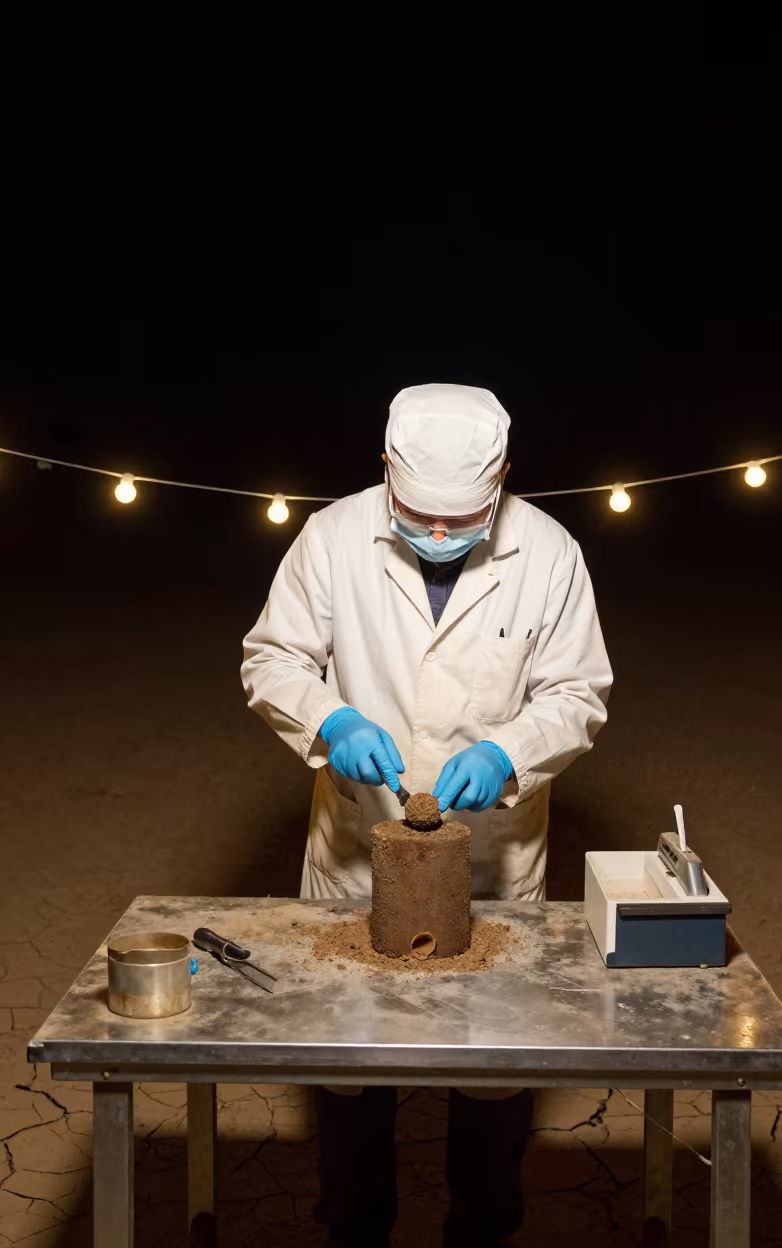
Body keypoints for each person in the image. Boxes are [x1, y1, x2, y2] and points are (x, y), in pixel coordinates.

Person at [241, 382, 613, 1247]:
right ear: (384, 472)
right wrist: (328, 718)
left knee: (490, 1077)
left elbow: (578, 692)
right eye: (419, 515)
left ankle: (481, 1231)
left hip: (493, 859)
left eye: (462, 519)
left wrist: (511, 752)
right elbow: (274, 657)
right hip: (355, 852)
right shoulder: (333, 537)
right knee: (350, 1071)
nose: (440, 536)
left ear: (505, 480)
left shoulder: (551, 554)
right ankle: (355, 1230)